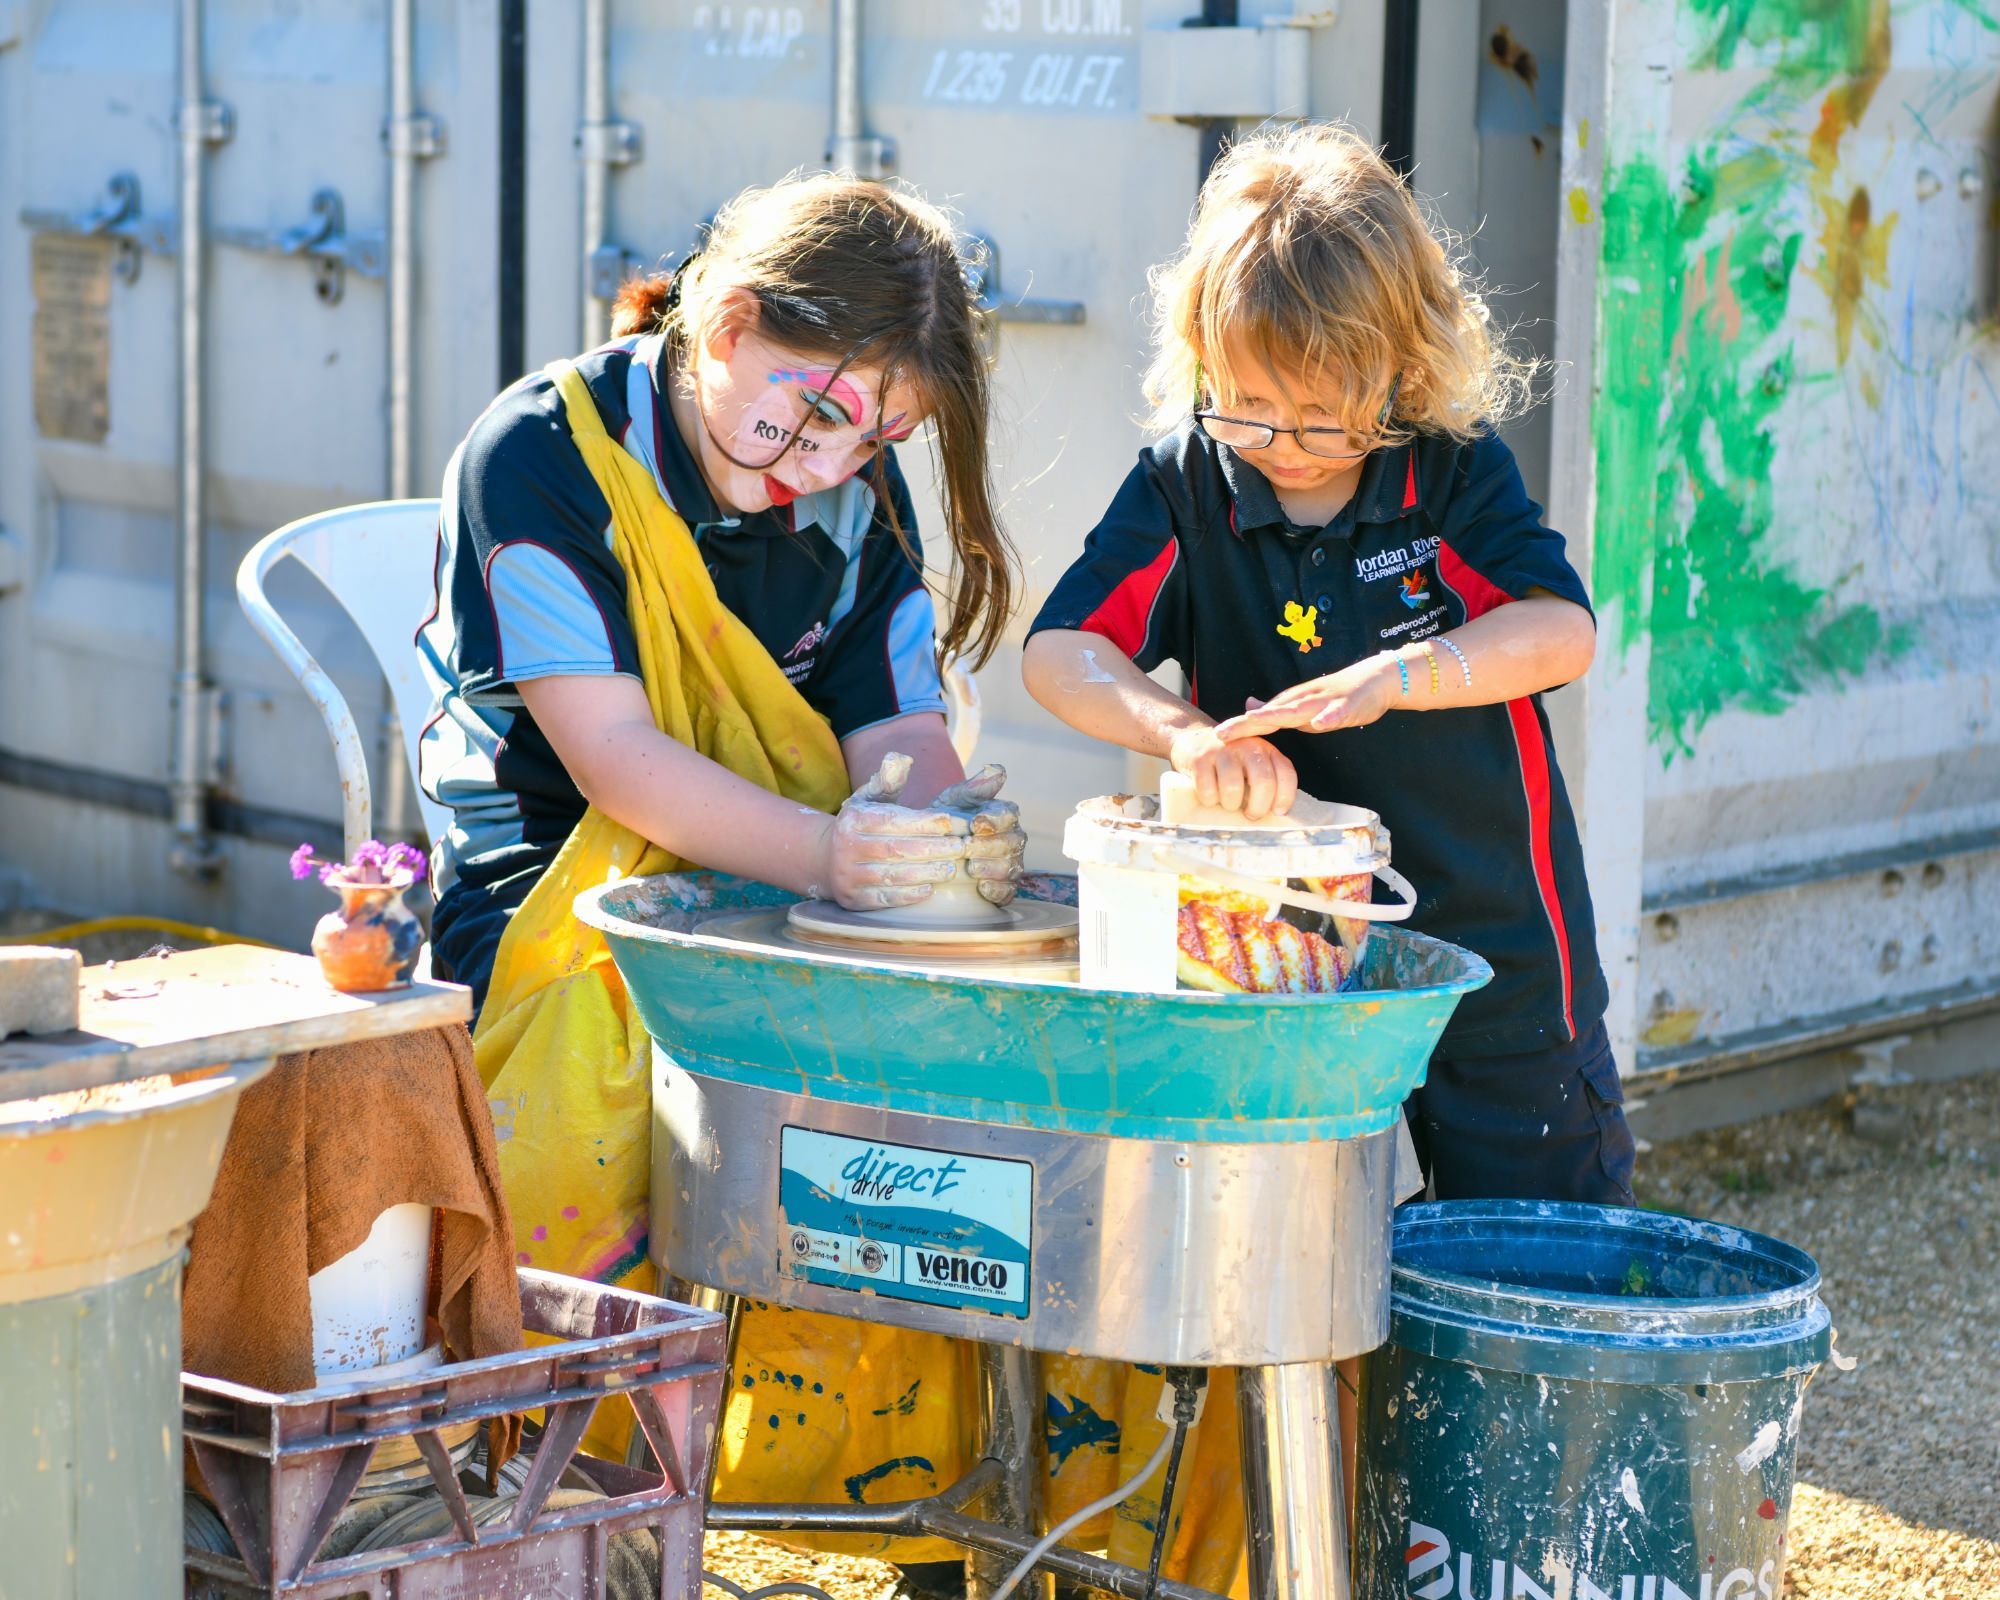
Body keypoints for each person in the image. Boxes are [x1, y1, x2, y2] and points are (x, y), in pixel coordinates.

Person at [1022, 121, 1636, 1562]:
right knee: (1280, 1247)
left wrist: (1400, 675)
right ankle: (1299, 1535)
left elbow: (1560, 632)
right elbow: (1062, 650)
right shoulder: (1185, 480)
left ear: (1401, 368)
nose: (1282, 448)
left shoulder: (1447, 474)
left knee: (1536, 1249)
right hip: (1280, 957)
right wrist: (1178, 734)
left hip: (1498, 942)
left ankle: (1527, 1543)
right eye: (1246, 409)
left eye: (1318, 417)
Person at [414, 172, 1023, 1571]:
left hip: (791, 865)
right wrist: (833, 854)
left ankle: (869, 1474)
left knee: (953, 1054)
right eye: (806, 417)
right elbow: (617, 760)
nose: (821, 469)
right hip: (551, 873)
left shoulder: (851, 486)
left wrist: (944, 839)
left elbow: (897, 731)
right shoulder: (541, 455)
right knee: (610, 1069)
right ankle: (570, 1494)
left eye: (873, 441)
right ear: (730, 323)